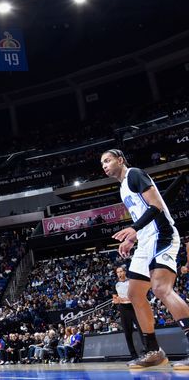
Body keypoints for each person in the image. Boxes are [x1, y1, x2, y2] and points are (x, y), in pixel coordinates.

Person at [104, 149, 189, 369]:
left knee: (161, 288)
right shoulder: (123, 187)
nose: (104, 165)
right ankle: (153, 351)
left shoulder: (134, 174)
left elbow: (156, 206)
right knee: (134, 293)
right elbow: (141, 213)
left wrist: (133, 229)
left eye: (108, 160)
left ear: (120, 160)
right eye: (102, 162)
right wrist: (134, 238)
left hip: (162, 235)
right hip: (145, 241)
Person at [113, 265, 139, 360]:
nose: (119, 274)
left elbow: (135, 295)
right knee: (127, 333)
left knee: (141, 329)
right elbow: (115, 299)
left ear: (125, 272)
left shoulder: (131, 282)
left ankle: (148, 351)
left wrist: (123, 299)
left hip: (134, 307)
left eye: (120, 271)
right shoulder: (115, 285)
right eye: (117, 272)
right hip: (123, 309)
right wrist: (119, 300)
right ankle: (133, 355)